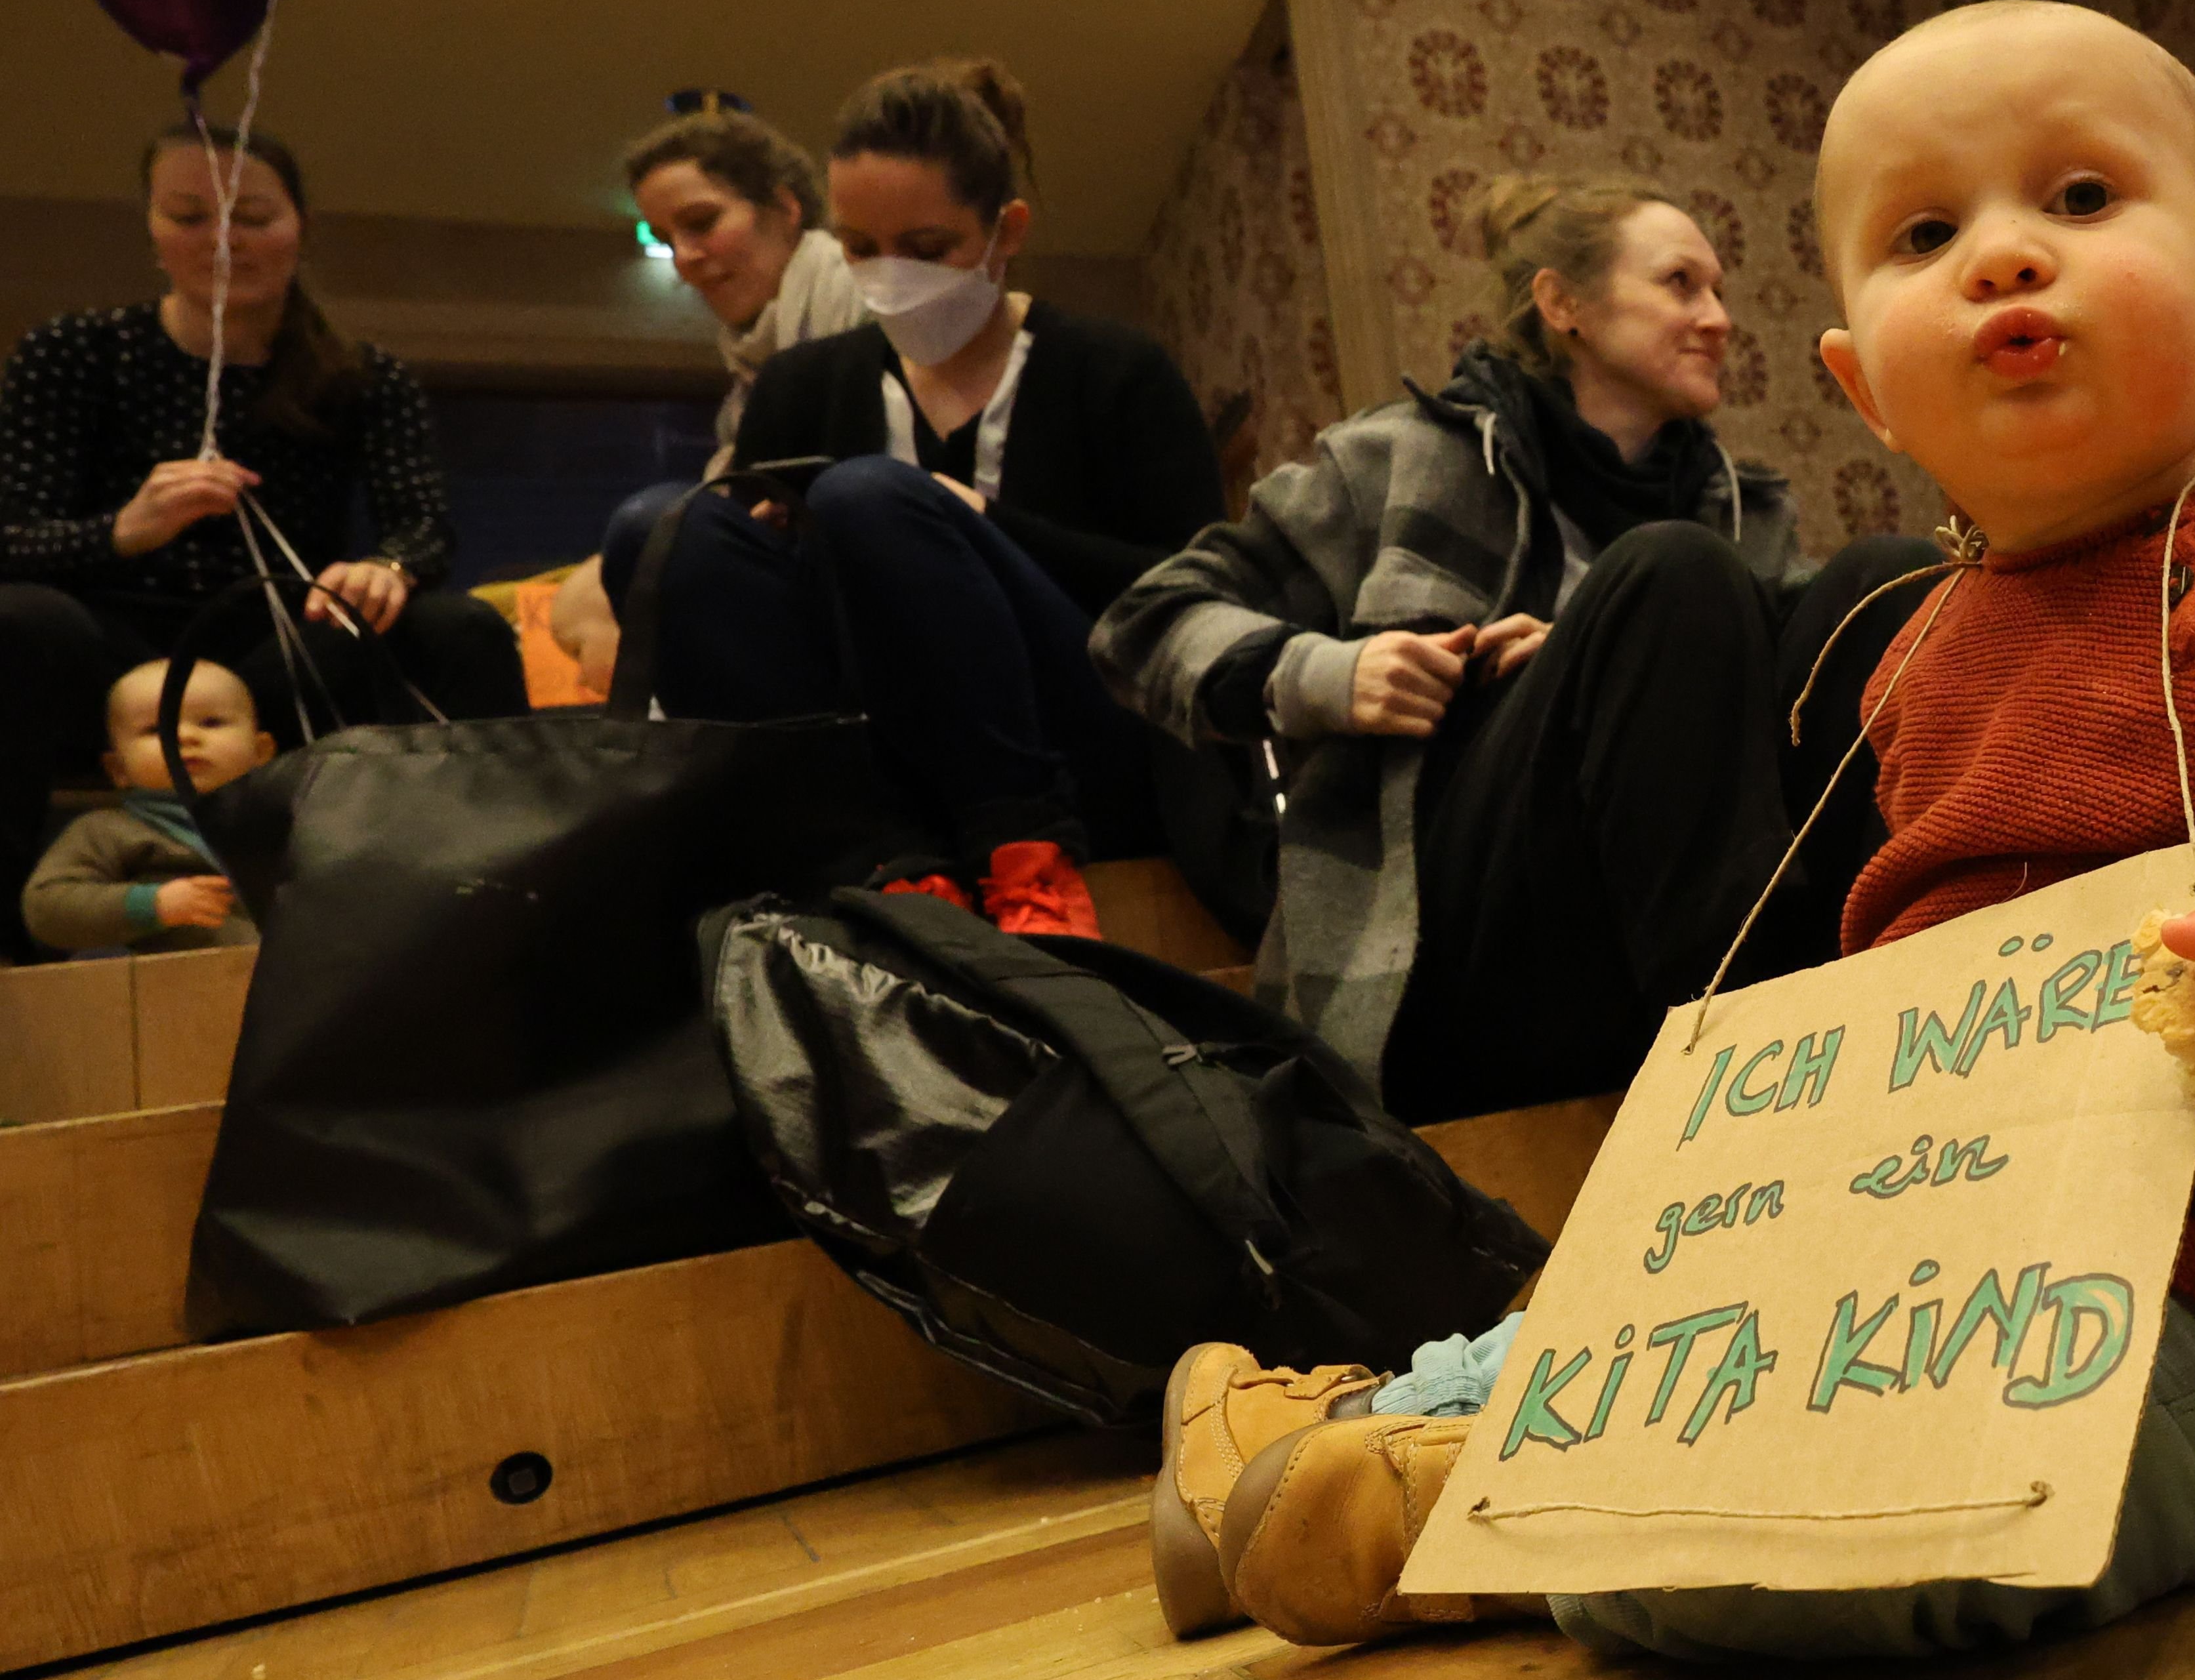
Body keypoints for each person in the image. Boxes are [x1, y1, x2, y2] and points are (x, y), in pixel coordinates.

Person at [1153, 2, 2195, 1663]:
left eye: (2083, 199)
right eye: (1930, 233)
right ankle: (1408, 1421)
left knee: (1876, 1521)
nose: (2008, 259)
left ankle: (1475, 1507)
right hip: (1952, 1290)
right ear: (1865, 387)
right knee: (1715, 1354)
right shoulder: (1922, 658)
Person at [1099, 173, 1940, 1123]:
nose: (1719, 318)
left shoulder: (1747, 509)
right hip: (1447, 970)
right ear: (1563, 303)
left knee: (1892, 574)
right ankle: (1767, 1075)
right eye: (1681, 285)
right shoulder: (1402, 458)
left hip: (1652, 950)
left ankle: (1904, 997)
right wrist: (1334, 674)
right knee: (1669, 575)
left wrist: (1594, 652)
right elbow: (1141, 624)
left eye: (1719, 289)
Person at [596, 59, 1221, 937]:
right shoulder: (801, 386)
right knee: (662, 528)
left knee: (870, 496)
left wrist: (983, 526)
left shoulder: (1111, 369)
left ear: (1007, 232)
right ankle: (872, 859)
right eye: (860, 249)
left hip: (1079, 746)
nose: (889, 278)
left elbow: (1203, 596)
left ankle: (1022, 855)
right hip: (878, 768)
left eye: (928, 251)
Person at [0, 127, 526, 950]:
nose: (221, 241)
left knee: (458, 630)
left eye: (251, 217)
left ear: (300, 227)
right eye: (188, 216)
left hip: (273, 655)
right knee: (19, 620)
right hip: (109, 649)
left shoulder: (363, 374)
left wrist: (385, 569)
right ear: (150, 228)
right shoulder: (73, 352)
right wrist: (125, 530)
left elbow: (421, 523)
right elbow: (12, 537)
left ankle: (504, 914)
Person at [543, 106, 867, 693]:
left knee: (654, 533)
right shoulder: (750, 373)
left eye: (702, 222)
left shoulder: (864, 300)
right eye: (667, 239)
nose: (686, 257)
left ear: (786, 207)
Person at [20, 659, 274, 954]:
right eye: (156, 729)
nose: (185, 737)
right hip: (161, 987)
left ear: (261, 751)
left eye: (211, 722)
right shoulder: (107, 831)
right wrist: (151, 906)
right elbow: (46, 908)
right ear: (118, 769)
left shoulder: (288, 822)